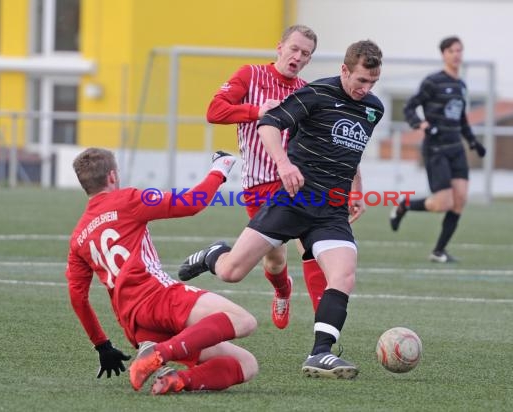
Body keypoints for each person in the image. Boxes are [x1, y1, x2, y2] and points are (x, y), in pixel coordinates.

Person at [179, 39, 384, 379]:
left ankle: (321, 353)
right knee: (232, 272)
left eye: (373, 82)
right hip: (293, 199)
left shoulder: (374, 108)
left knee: (344, 274)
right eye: (361, 80)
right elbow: (269, 124)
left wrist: (356, 190)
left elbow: (351, 152)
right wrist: (284, 164)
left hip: (331, 209)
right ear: (344, 70)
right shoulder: (316, 93)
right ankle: (215, 254)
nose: (366, 88)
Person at [65, 148, 258, 395]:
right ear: (112, 176)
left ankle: (177, 379)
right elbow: (191, 203)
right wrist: (220, 169)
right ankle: (160, 353)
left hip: (134, 323)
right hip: (157, 298)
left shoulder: (78, 237)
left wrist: (102, 345)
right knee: (244, 321)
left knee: (247, 364)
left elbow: (77, 298)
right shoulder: (128, 199)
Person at [205, 24, 327, 327]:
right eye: (294, 49)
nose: (297, 57)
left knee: (313, 248)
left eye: (305, 54)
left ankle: (325, 331)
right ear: (280, 47)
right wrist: (259, 111)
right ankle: (283, 290)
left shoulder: (306, 91)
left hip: (298, 181)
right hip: (259, 185)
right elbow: (214, 111)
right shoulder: (250, 75)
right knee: (274, 259)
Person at [392, 36, 486, 263]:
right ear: (444, 54)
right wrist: (421, 124)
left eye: (460, 50)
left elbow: (461, 118)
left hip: (456, 149)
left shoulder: (461, 85)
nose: (457, 55)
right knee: (441, 204)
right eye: (453, 51)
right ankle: (404, 205)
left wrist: (473, 142)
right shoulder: (432, 81)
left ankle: (438, 251)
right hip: (436, 149)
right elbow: (410, 106)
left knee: (460, 199)